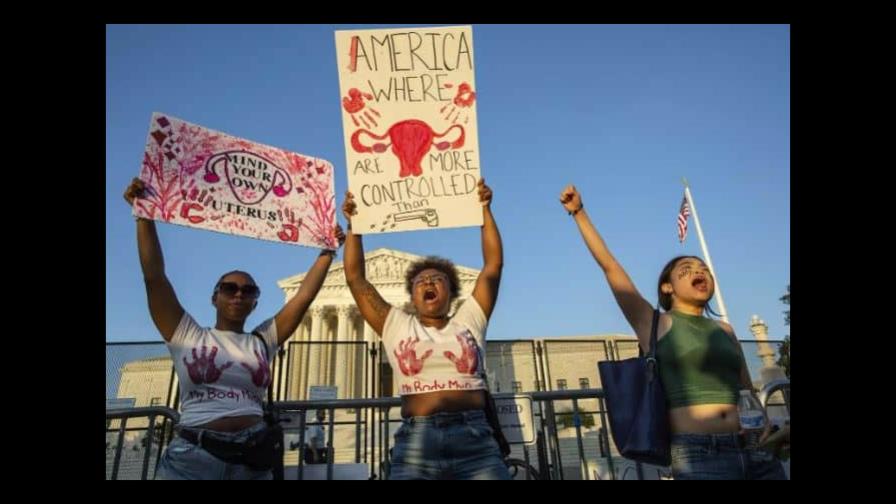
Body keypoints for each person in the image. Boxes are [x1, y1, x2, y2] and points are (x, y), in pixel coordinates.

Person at [559, 184, 785, 480]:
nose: (699, 271)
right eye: (687, 268)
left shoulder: (725, 330)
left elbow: (746, 390)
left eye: (703, 268)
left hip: (754, 448)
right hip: (699, 455)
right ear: (667, 287)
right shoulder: (654, 323)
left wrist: (763, 420)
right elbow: (610, 267)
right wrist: (579, 213)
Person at [123, 177, 345, 480]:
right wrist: (144, 217)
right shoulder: (188, 336)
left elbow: (304, 296)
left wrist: (327, 253)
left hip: (251, 458)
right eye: (229, 288)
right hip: (194, 457)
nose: (239, 294)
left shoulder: (262, 340)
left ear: (255, 302)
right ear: (214, 297)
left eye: (248, 290)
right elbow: (155, 278)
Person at [341, 178, 511, 480]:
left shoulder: (469, 319)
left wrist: (485, 210)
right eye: (421, 281)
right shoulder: (396, 325)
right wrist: (355, 225)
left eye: (437, 279)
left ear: (451, 291)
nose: (429, 283)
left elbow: (493, 266)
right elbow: (356, 279)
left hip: (475, 440)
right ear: (412, 295)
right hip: (416, 443)